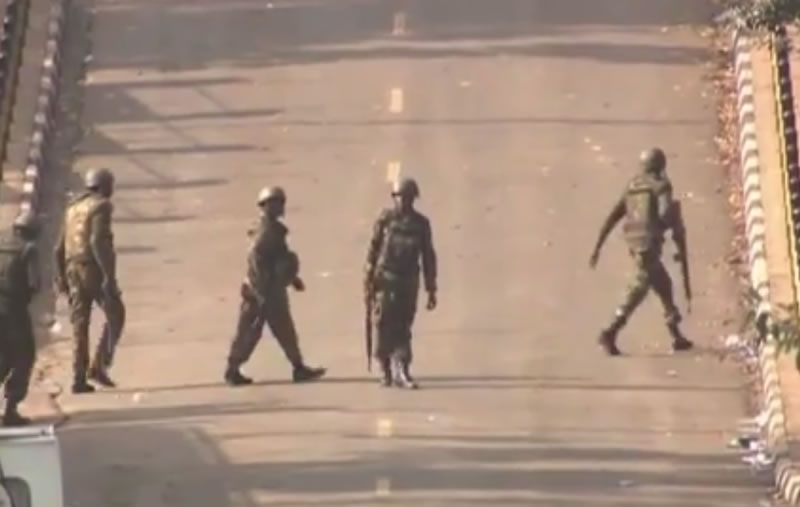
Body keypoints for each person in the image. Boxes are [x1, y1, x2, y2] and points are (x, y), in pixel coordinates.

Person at [589, 148, 693, 356]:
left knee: (663, 284)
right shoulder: (661, 186)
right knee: (639, 288)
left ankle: (675, 334)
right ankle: (610, 330)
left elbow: (614, 216)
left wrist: (598, 247)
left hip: (634, 243)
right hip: (649, 244)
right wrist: (674, 224)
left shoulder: (632, 186)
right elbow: (665, 213)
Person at [224, 186, 326, 386]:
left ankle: (298, 367)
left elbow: (279, 258)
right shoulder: (265, 233)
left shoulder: (273, 230)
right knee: (248, 333)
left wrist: (292, 278)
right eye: (276, 203)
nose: (280, 207)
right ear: (265, 206)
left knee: (285, 331)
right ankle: (232, 369)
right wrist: (261, 293)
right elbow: (256, 264)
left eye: (281, 202)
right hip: (261, 292)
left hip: (271, 290)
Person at [54, 168, 126, 393]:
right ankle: (99, 365)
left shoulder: (73, 207)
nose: (112, 190)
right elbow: (97, 242)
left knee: (80, 324)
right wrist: (109, 277)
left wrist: (61, 278)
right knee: (116, 313)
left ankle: (78, 377)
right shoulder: (101, 206)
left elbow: (59, 247)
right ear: (103, 185)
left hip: (71, 268)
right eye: (110, 185)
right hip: (92, 269)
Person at [364, 177, 437, 389]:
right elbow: (373, 249)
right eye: (400, 197)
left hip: (408, 281)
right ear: (394, 198)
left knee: (404, 326)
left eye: (408, 197)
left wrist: (431, 288)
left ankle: (402, 369)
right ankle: (384, 368)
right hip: (385, 279)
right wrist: (368, 277)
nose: (404, 201)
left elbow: (428, 256)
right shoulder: (385, 220)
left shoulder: (421, 224)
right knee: (382, 324)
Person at [0, 212, 40, 425]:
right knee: (24, 356)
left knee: (3, 357)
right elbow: (35, 284)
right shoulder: (28, 249)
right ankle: (11, 409)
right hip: (14, 311)